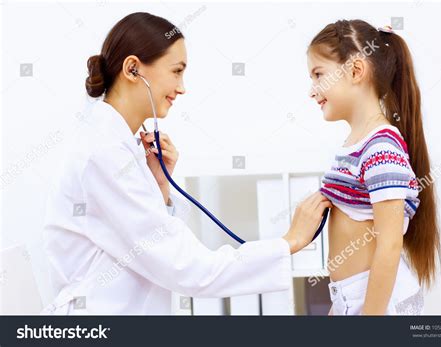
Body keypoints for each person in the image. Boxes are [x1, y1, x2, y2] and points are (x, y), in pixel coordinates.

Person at [41, 12, 332, 315]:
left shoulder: (118, 145)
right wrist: (290, 242)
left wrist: (159, 187)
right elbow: (186, 267)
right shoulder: (103, 153)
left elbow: (147, 242)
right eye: (176, 71)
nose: (182, 87)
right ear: (132, 69)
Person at [307, 19, 441, 315]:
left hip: (378, 301)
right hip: (356, 297)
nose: (312, 90)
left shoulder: (380, 149)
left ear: (355, 71)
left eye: (319, 75)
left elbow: (389, 246)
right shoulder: (358, 144)